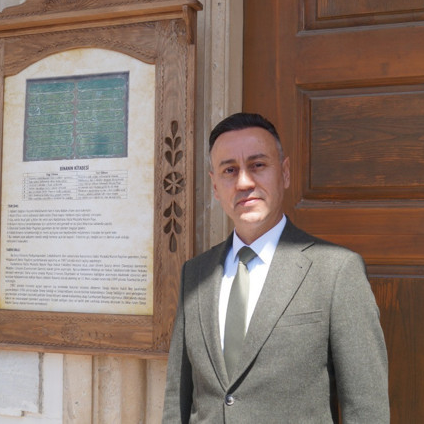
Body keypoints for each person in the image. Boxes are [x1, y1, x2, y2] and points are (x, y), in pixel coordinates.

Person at [162, 112, 389, 423]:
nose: (244, 182)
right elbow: (177, 400)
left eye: (257, 165)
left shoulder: (336, 271)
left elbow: (366, 407)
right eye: (230, 170)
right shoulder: (195, 274)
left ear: (284, 173)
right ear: (215, 186)